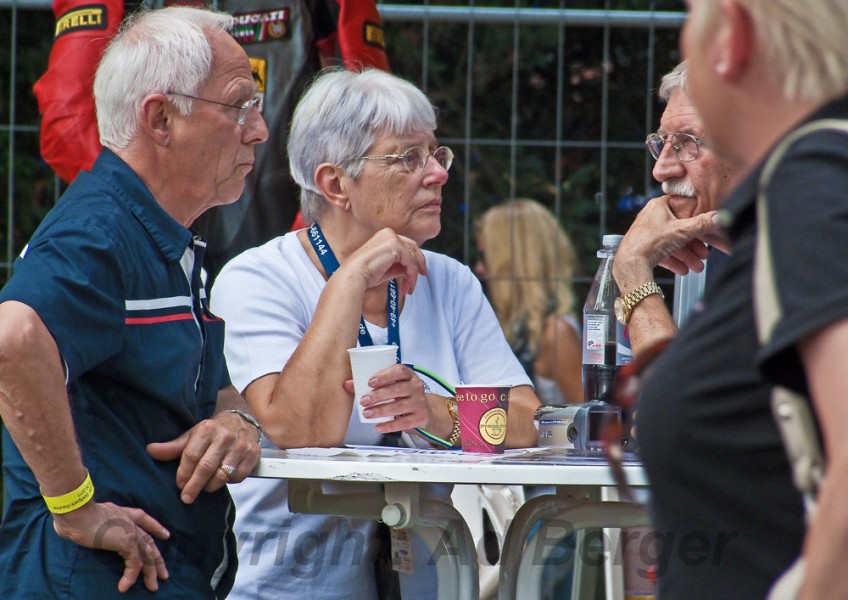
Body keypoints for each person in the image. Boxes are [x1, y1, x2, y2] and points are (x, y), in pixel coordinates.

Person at [211, 67, 541, 599]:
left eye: (436, 154)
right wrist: (348, 283)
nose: (437, 174)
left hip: (433, 585)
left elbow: (528, 421)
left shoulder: (450, 282)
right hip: (285, 588)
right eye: (408, 158)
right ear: (335, 184)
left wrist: (434, 414)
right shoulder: (258, 278)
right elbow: (301, 427)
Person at [0, 7, 267, 597]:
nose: (259, 130)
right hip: (93, 579)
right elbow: (11, 342)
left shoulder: (162, 232)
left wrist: (235, 420)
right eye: (240, 105)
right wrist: (74, 506)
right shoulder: (99, 231)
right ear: (161, 118)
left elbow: (204, 385)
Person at [634, 1, 848, 598]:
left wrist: (635, 285)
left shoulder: (817, 183)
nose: (661, 171)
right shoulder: (804, 191)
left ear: (731, 35)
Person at [34, 0, 389, 284]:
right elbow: (68, 124)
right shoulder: (86, 245)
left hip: (283, 223)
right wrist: (150, 215)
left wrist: (312, 234)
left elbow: (366, 118)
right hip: (149, 238)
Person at [611, 60, 742, 356]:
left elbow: (661, 402)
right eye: (661, 143)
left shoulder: (822, 257)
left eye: (687, 142)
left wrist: (633, 270)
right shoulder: (716, 248)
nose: (661, 170)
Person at [475, 198, 583, 405]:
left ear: (514, 262)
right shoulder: (513, 325)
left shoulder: (556, 333)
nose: (479, 268)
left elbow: (590, 423)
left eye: (485, 256)